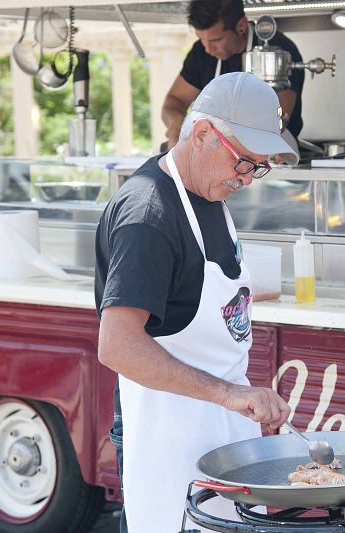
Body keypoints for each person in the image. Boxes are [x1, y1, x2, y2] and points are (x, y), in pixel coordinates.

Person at [95, 72, 295, 532]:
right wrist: (229, 394)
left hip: (221, 429)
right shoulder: (149, 216)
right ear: (203, 133)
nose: (248, 178)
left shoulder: (207, 193)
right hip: (168, 434)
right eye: (244, 161)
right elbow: (118, 346)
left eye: (258, 167)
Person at [161, 0, 304, 152]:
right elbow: (175, 101)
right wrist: (176, 122)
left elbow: (275, 121)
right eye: (201, 39)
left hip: (270, 153)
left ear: (241, 26)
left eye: (216, 40)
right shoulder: (200, 52)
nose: (208, 49)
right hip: (214, 151)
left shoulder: (277, 50)